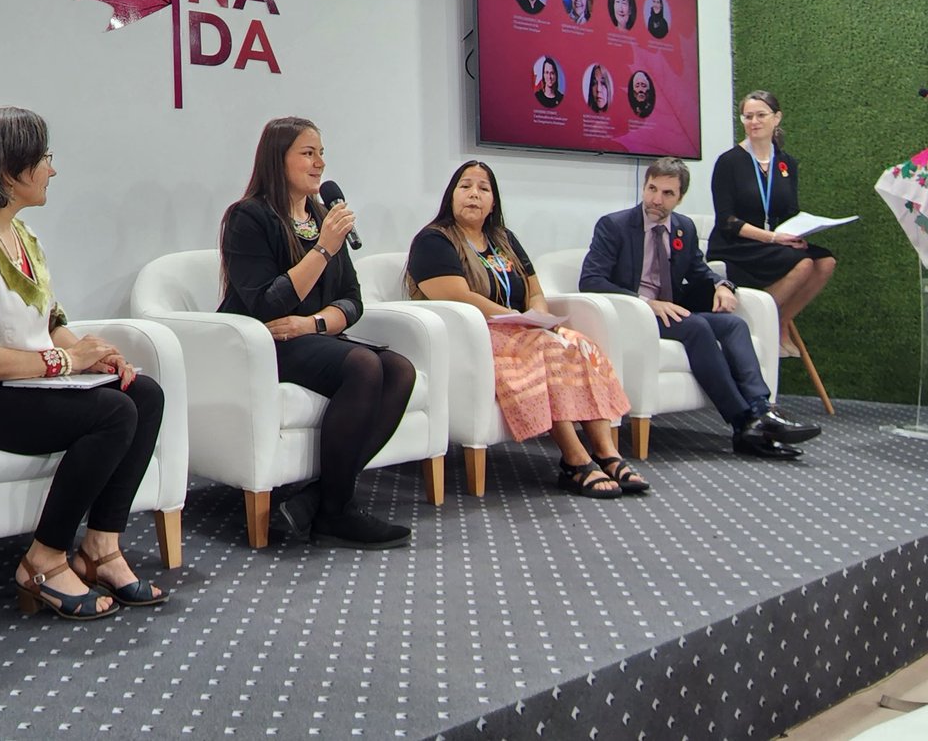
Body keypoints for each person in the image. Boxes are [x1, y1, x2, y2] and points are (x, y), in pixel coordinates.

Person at [0, 106, 168, 621]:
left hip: (20, 385)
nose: (53, 169)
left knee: (143, 394)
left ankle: (101, 548)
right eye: (44, 158)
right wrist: (67, 360)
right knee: (112, 413)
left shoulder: (23, 236)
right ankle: (43, 559)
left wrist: (96, 357)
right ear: (9, 172)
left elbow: (49, 323)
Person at [219, 116, 415, 549]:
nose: (320, 164)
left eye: (321, 153)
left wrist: (314, 323)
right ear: (278, 159)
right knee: (363, 365)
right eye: (308, 154)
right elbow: (268, 303)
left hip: (310, 336)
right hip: (263, 343)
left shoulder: (322, 217)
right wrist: (324, 247)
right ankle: (337, 511)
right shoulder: (249, 217)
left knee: (400, 369)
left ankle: (318, 500)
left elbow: (353, 300)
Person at [406, 161, 646, 498]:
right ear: (451, 195)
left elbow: (535, 291)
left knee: (580, 345)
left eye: (483, 188)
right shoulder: (433, 240)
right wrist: (516, 319)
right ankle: (575, 460)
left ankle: (607, 454)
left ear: (493, 202)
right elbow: (458, 297)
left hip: (520, 330)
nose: (474, 194)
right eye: (465, 186)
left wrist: (539, 318)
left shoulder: (504, 240)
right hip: (473, 338)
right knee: (545, 351)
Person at [579, 156, 821, 460]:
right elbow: (591, 279)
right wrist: (647, 303)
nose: (656, 200)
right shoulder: (614, 226)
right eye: (652, 189)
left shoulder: (683, 227)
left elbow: (698, 270)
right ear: (644, 187)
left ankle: (762, 410)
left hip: (672, 313)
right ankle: (744, 422)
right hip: (634, 314)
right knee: (696, 326)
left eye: (667, 193)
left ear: (680, 197)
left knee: (734, 324)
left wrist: (723, 285)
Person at [707, 90, 836, 356]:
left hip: (774, 243)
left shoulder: (786, 163)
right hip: (737, 244)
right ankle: (763, 320)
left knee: (825, 262)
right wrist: (774, 238)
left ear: (776, 118)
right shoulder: (729, 162)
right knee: (803, 264)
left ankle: (780, 319)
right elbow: (727, 221)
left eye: (761, 115)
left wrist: (798, 234)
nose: (754, 122)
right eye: (748, 116)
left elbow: (790, 212)